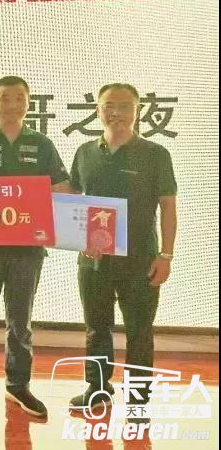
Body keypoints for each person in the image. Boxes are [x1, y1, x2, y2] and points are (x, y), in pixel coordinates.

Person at [0, 76, 71, 417]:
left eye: (19, 98)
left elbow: (62, 189)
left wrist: (69, 217)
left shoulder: (41, 144)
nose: (12, 105)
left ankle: (18, 384)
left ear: (28, 104)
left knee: (21, 321)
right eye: (5, 98)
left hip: (28, 250)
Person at [68, 83, 177, 415]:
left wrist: (166, 255)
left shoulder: (155, 154)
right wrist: (77, 238)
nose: (116, 112)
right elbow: (73, 202)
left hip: (141, 260)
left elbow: (168, 207)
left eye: (125, 106)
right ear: (98, 110)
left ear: (137, 111)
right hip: (94, 262)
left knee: (139, 332)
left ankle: (138, 400)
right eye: (109, 106)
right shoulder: (85, 152)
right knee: (96, 328)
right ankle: (98, 389)